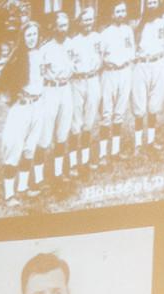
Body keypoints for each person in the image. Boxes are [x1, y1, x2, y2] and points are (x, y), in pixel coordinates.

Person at [0, 21, 45, 208]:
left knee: (30, 147)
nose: (32, 38)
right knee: (14, 147)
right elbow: (3, 81)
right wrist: (11, 98)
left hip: (37, 105)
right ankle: (9, 194)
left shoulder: (40, 54)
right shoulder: (17, 56)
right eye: (28, 35)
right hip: (22, 106)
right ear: (23, 37)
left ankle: (23, 188)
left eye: (35, 34)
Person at [36, 11, 75, 190]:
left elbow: (75, 64)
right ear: (53, 27)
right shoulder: (45, 49)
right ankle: (38, 178)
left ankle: (59, 173)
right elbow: (40, 73)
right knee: (44, 135)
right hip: (50, 90)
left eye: (65, 25)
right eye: (60, 26)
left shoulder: (71, 44)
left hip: (66, 89)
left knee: (62, 133)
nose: (63, 29)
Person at [67, 7, 104, 176]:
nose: (88, 23)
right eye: (85, 20)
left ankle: (86, 159)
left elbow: (102, 60)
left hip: (93, 79)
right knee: (76, 122)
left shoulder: (98, 38)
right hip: (77, 81)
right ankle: (74, 163)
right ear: (79, 22)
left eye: (90, 20)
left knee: (89, 121)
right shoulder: (73, 41)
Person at [99, 1, 136, 163]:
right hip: (110, 74)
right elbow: (99, 58)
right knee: (107, 113)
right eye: (117, 12)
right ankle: (102, 153)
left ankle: (114, 151)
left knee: (119, 112)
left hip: (125, 72)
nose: (121, 14)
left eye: (123, 11)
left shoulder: (128, 30)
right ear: (112, 14)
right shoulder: (105, 33)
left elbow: (131, 51)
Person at [131, 0, 164, 153]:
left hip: (158, 62)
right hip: (142, 64)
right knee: (139, 105)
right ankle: (138, 144)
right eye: (149, 3)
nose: (152, 5)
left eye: (154, 2)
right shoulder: (139, 25)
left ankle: (151, 141)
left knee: (154, 105)